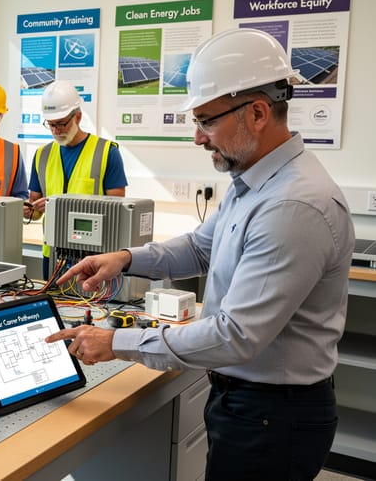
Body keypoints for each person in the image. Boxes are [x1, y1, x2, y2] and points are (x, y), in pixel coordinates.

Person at [45, 28, 354, 480]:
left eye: (206, 121)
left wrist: (116, 343)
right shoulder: (255, 182)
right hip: (250, 406)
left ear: (257, 113)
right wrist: (126, 259)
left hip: (272, 419)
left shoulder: (293, 205)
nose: (197, 138)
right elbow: (199, 247)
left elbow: (235, 336)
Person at [26, 80, 128, 279]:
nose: (56, 130)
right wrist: (29, 210)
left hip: (93, 258)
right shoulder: (41, 155)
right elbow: (35, 211)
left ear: (78, 117)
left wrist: (57, 205)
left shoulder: (107, 153)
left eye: (62, 123)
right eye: (51, 125)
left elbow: (118, 212)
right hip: (53, 254)